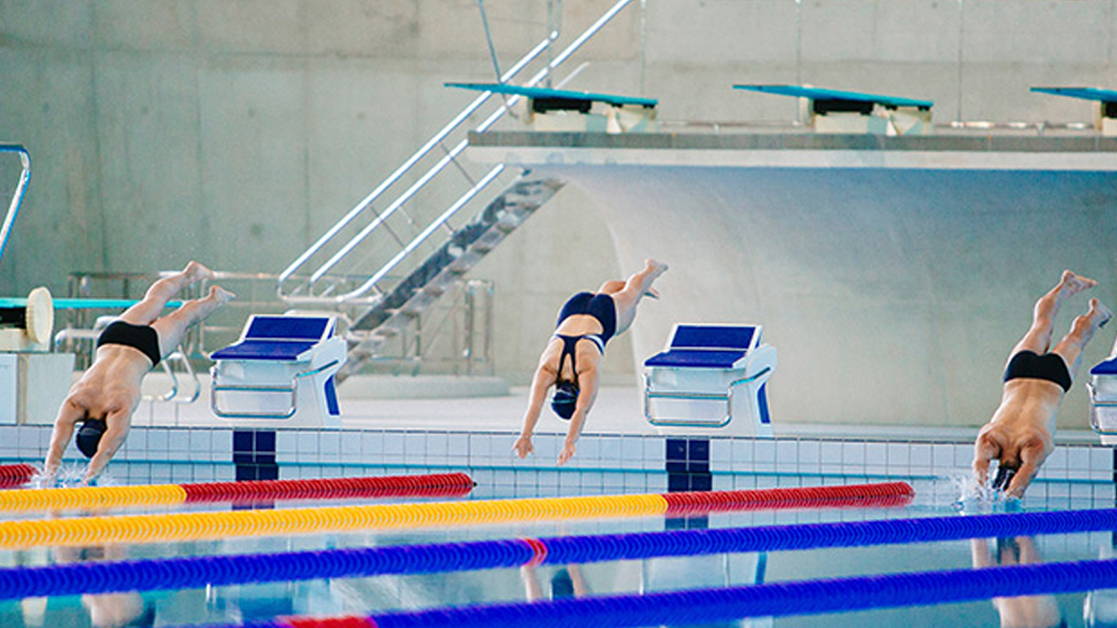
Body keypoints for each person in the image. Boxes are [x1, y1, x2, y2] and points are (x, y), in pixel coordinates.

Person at [44, 262, 234, 484]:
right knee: (153, 300)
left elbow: (105, 451)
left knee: (184, 317)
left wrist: (88, 480)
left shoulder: (118, 407)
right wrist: (49, 474)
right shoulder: (76, 401)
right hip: (112, 337)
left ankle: (215, 298)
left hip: (145, 349)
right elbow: (56, 445)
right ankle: (187, 274)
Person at [514, 259, 668, 465]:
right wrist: (525, 435)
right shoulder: (547, 368)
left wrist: (570, 441)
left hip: (603, 316)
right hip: (572, 308)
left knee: (632, 295)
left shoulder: (586, 368)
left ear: (576, 393)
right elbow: (534, 406)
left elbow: (582, 410)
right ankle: (622, 287)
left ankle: (652, 270)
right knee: (607, 293)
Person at [973, 270, 1111, 498]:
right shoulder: (990, 438)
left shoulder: (1035, 445)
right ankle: (1066, 285)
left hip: (1052, 380)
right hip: (1017, 373)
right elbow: (979, 476)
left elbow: (1018, 487)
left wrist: (1002, 502)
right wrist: (980, 495)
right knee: (1040, 325)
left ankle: (1097, 313)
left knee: (1077, 336)